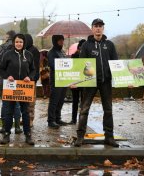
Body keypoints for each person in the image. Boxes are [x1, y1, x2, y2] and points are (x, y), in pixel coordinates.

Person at [74, 18, 119, 147]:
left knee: (108, 110)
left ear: (103, 28)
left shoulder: (109, 45)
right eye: (96, 26)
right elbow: (80, 65)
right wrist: (75, 81)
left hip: (106, 82)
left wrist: (125, 80)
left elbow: (116, 63)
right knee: (84, 109)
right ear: (92, 29)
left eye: (100, 26)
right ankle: (80, 137)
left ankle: (109, 137)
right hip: (90, 83)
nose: (98, 28)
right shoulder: (86, 45)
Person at [0, 33, 35, 145]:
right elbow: (1, 69)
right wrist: (7, 76)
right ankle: (6, 134)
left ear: (24, 43)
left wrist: (30, 77)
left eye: (21, 42)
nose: (18, 44)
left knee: (25, 112)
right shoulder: (7, 54)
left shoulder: (28, 55)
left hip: (24, 87)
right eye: (17, 42)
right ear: (14, 43)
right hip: (11, 87)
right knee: (8, 112)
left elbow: (34, 70)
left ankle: (28, 135)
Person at [0, 30, 22, 134]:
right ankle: (17, 127)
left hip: (3, 79)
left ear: (7, 37)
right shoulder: (19, 48)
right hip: (16, 79)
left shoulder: (0, 48)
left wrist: (0, 74)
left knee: (5, 103)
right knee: (17, 102)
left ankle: (4, 127)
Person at [47, 35, 68, 129]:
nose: (62, 43)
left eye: (63, 41)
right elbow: (52, 65)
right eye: (60, 41)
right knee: (54, 101)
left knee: (61, 100)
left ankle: (58, 118)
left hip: (64, 79)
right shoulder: (51, 52)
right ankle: (51, 120)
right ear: (55, 41)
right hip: (56, 80)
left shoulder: (62, 52)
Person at [25, 34, 40, 127]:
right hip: (22, 79)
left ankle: (30, 119)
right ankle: (25, 118)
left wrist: (33, 78)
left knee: (31, 101)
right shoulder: (22, 51)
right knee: (23, 100)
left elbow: (36, 66)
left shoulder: (34, 51)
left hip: (31, 79)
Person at [69, 39, 86, 124]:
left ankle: (82, 119)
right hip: (75, 81)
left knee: (84, 102)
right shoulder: (73, 56)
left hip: (85, 82)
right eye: (81, 48)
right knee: (75, 101)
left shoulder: (88, 57)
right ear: (79, 48)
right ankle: (73, 119)